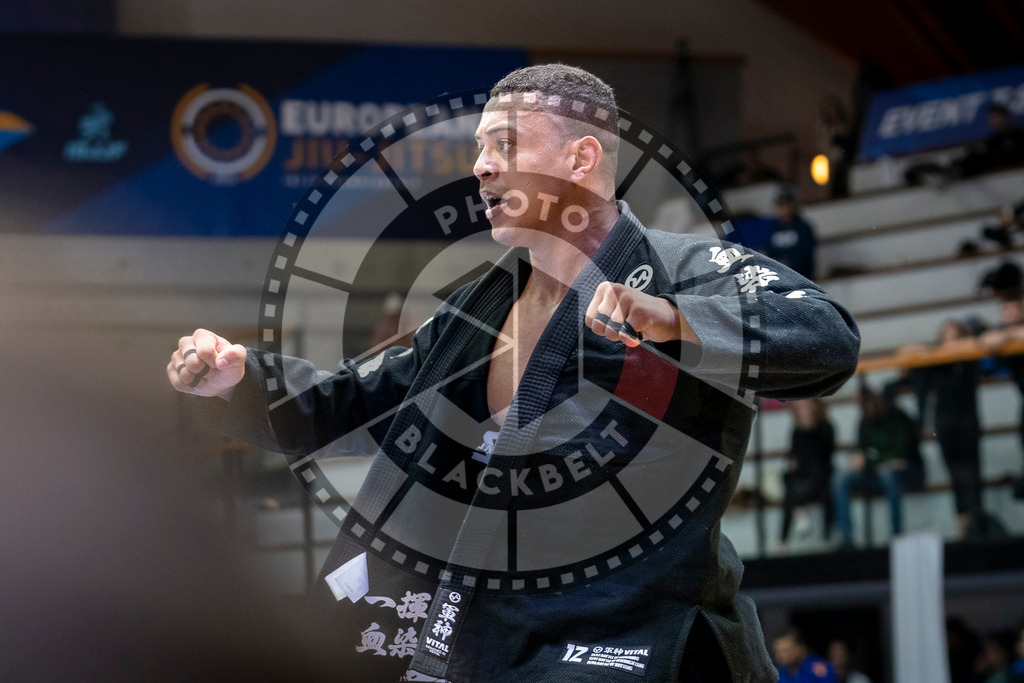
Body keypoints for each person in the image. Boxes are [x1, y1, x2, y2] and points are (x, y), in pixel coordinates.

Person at [167, 64, 860, 682]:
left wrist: (675, 320)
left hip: (627, 637)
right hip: (487, 636)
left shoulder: (685, 270)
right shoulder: (478, 305)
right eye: (478, 149)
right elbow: (358, 402)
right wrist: (241, 379)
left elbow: (827, 335)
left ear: (581, 157)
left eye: (504, 144)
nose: (481, 167)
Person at [831, 387, 923, 548]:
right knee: (840, 479)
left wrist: (872, 460)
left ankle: (897, 535)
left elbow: (902, 454)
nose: (866, 409)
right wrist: (858, 458)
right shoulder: (865, 421)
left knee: (888, 474)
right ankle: (846, 538)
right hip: (874, 473)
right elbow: (861, 449)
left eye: (867, 404)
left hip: (908, 472)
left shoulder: (898, 416)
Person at [779, 398, 835, 547]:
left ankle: (799, 515)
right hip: (802, 475)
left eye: (806, 404)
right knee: (787, 477)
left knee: (807, 476)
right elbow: (794, 454)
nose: (803, 408)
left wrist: (810, 428)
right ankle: (799, 515)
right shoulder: (797, 431)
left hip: (820, 474)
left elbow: (825, 455)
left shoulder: (825, 428)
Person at [766, 188, 818, 280]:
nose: (784, 209)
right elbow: (769, 251)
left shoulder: (803, 228)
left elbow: (806, 253)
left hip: (802, 276)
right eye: (781, 206)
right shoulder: (772, 229)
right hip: (779, 277)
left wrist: (790, 263)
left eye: (787, 205)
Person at [773, 628, 839, 683]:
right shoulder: (779, 673)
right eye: (777, 652)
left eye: (786, 650)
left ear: (800, 648)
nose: (780, 656)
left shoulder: (819, 671)